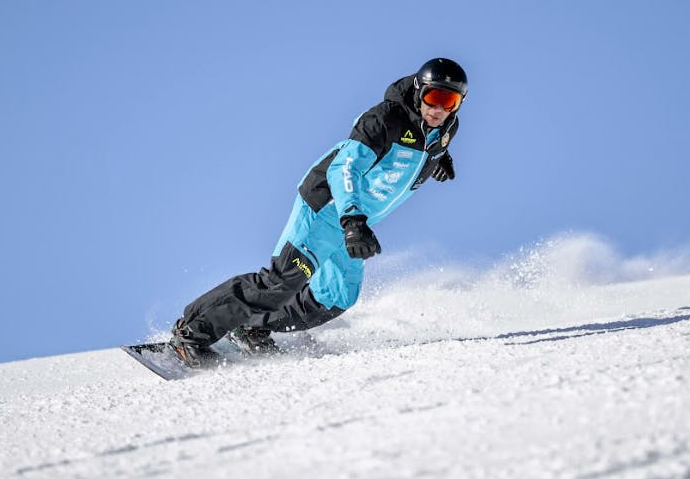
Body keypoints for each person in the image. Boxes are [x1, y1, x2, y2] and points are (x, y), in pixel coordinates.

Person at [167, 57, 467, 366]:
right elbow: (344, 168)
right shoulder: (384, 119)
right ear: (419, 92)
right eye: (434, 97)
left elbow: (424, 143)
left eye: (451, 101)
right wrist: (352, 220)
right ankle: (191, 332)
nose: (440, 109)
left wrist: (437, 157)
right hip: (328, 208)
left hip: (356, 222)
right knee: (281, 282)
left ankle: (251, 329)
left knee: (337, 297)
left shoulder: (445, 129)